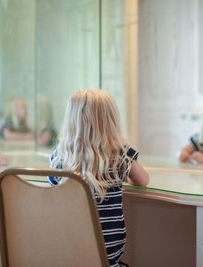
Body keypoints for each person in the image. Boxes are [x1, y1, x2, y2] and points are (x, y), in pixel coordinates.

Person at [48, 89, 149, 267]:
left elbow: (53, 185)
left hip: (66, 251)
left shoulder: (60, 155)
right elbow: (143, 180)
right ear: (111, 122)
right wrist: (124, 175)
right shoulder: (119, 154)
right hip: (107, 255)